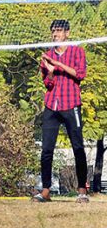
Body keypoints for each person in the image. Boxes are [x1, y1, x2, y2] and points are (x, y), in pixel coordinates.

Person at [33, 19, 88, 203]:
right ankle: (46, 190)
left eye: (59, 31)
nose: (55, 35)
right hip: (52, 106)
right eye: (53, 32)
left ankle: (82, 191)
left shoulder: (77, 51)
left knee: (78, 147)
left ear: (67, 33)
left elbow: (80, 74)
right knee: (46, 150)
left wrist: (58, 64)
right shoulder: (47, 56)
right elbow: (48, 84)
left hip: (71, 104)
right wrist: (49, 71)